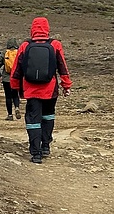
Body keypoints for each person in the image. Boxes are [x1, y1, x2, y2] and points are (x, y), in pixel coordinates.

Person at [11, 17, 71, 163]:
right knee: (48, 116)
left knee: (33, 120)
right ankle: (45, 146)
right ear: (47, 29)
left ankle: (36, 153)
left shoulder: (25, 45)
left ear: (32, 29)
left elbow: (16, 69)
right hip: (50, 90)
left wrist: (15, 87)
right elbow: (62, 66)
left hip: (31, 90)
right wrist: (66, 85)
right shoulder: (55, 44)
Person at [1, 39, 21, 120]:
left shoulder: (5, 53)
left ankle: (10, 115)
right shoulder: (19, 53)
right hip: (15, 77)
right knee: (15, 94)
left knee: (8, 97)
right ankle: (17, 107)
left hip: (6, 78)